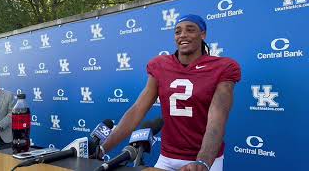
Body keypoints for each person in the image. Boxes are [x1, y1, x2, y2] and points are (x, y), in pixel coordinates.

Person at [99, 14, 241, 171]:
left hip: (205, 160)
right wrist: (103, 149)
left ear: (203, 34)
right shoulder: (160, 65)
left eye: (190, 30)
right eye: (177, 31)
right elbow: (137, 110)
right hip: (167, 158)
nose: (183, 35)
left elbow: (217, 119)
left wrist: (202, 162)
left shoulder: (223, 67)